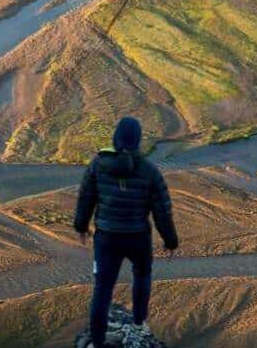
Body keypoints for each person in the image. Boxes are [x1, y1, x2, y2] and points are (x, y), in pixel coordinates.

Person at [73, 116, 178, 346]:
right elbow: (162, 210)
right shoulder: (149, 171)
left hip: (106, 238)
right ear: (138, 141)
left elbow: (85, 198)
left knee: (102, 290)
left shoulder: (97, 165)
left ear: (116, 139)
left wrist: (81, 227)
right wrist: (170, 241)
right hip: (138, 238)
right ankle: (139, 323)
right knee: (142, 276)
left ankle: (97, 343)